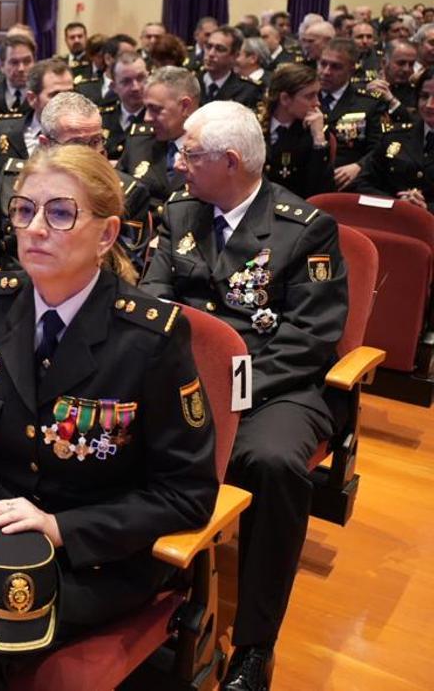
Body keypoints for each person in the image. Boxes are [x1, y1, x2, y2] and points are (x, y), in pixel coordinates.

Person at [0, 143, 217, 691]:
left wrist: (61, 529)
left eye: (59, 213)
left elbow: (187, 492)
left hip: (96, 546)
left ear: (106, 235)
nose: (34, 229)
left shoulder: (149, 338)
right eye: (24, 210)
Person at [140, 101, 348, 691]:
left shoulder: (305, 229)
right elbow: (154, 302)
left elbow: (309, 340)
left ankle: (256, 643)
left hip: (271, 386)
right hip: (182, 377)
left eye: (190, 153)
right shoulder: (181, 214)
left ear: (229, 162)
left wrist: (227, 391)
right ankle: (134, 591)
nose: (177, 164)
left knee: (275, 463)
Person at [0, 92, 151, 273]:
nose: (89, 154)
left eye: (95, 141)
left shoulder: (126, 193)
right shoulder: (12, 180)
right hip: (12, 292)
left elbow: (124, 271)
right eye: (76, 144)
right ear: (46, 144)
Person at [119, 66, 199, 221]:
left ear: (185, 106)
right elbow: (117, 197)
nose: (147, 118)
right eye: (146, 108)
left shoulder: (212, 148)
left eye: (155, 109)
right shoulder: (138, 142)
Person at [0, 59, 76, 187]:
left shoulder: (84, 135)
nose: (65, 101)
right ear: (32, 99)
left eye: (70, 94)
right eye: (55, 95)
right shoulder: (3, 131)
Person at [316, 39, 389, 189]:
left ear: (351, 69)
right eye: (323, 64)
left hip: (350, 181)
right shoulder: (304, 97)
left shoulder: (369, 102)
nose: (326, 72)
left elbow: (381, 146)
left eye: (336, 67)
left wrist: (360, 166)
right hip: (310, 177)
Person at [357, 73, 434, 211]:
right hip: (391, 220)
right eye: (424, 96)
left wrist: (425, 208)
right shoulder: (395, 136)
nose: (429, 105)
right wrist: (395, 203)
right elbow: (363, 183)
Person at [261, 64, 335, 198]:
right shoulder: (255, 125)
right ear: (285, 99)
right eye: (309, 96)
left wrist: (319, 139)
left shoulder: (315, 132)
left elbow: (321, 191)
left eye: (317, 95)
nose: (317, 103)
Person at [102, 52, 149, 162]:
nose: (135, 87)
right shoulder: (102, 118)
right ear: (113, 87)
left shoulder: (159, 119)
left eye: (141, 78)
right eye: (126, 81)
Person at [201, 27, 263, 109]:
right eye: (208, 47)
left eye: (220, 49)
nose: (211, 54)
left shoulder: (247, 90)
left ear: (235, 56)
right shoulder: (191, 82)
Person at [366, 39, 420, 122]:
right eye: (401, 63)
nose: (406, 69)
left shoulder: (418, 92)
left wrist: (392, 101)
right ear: (384, 63)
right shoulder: (367, 87)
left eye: (411, 64)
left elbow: (418, 123)